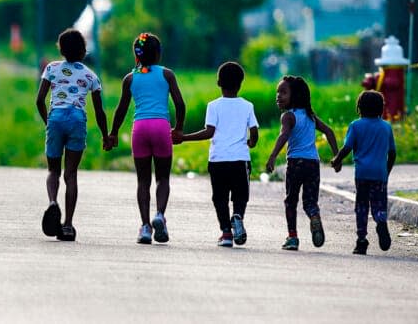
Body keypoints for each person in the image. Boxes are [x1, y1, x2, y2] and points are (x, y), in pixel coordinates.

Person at [108, 32, 185, 245]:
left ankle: (144, 227)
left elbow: (121, 109)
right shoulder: (167, 74)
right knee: (163, 178)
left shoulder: (130, 78)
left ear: (136, 55)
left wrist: (113, 133)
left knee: (143, 180)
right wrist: (178, 129)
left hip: (140, 129)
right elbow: (180, 104)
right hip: (161, 128)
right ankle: (159, 214)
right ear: (159, 54)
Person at [35, 28, 110, 242]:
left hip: (56, 117)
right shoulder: (90, 76)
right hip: (77, 119)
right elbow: (99, 111)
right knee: (71, 175)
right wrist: (106, 136)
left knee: (53, 171)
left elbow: (39, 100)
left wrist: (48, 123)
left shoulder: (51, 68)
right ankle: (67, 225)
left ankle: (52, 202)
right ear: (83, 50)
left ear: (61, 49)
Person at [174, 61, 258, 248]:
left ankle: (226, 233)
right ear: (241, 83)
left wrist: (184, 137)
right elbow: (254, 132)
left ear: (218, 82)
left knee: (219, 197)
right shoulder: (247, 106)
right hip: (240, 160)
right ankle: (238, 215)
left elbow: (209, 132)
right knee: (240, 195)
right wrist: (251, 143)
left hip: (218, 160)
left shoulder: (213, 106)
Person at [264, 75, 339, 250]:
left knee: (291, 201)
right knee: (310, 202)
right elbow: (329, 132)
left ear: (295, 95)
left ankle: (292, 237)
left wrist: (273, 156)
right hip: (313, 164)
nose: (278, 96)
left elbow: (283, 136)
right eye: (277, 92)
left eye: (283, 92)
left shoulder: (288, 116)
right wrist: (336, 156)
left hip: (296, 163)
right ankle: (314, 216)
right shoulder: (310, 116)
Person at [331, 90, 396, 255]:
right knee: (379, 204)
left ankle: (361, 241)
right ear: (381, 108)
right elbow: (392, 153)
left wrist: (337, 159)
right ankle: (381, 221)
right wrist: (386, 171)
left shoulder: (356, 125)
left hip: (362, 174)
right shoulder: (386, 127)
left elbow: (347, 147)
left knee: (361, 206)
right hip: (380, 174)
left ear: (359, 108)